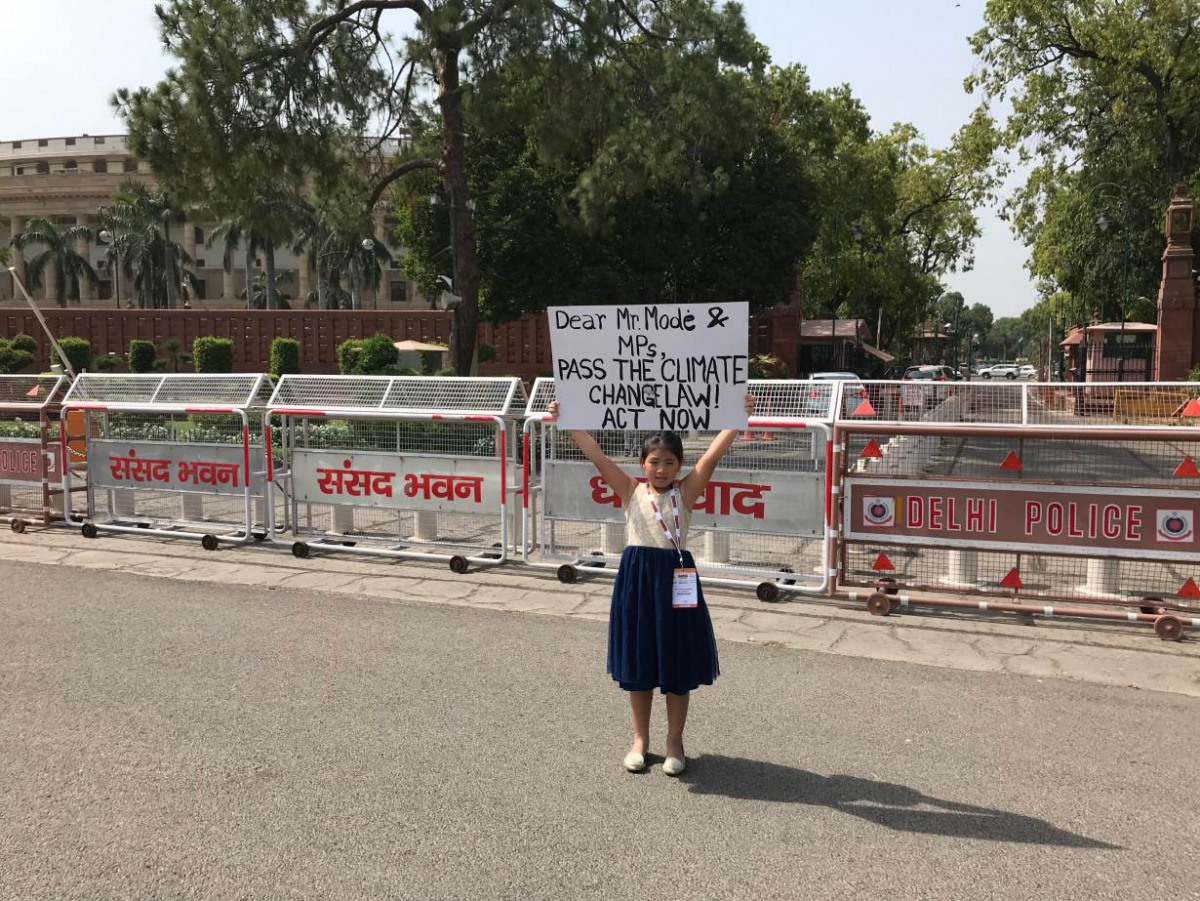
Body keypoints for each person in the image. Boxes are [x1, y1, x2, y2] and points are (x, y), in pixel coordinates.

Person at [547, 394, 755, 776]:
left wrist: (738, 416)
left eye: (670, 463)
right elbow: (596, 455)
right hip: (638, 580)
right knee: (639, 661)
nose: (661, 469)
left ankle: (674, 741)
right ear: (643, 463)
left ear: (679, 466)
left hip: (676, 581)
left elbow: (712, 455)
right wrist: (570, 420)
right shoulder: (630, 489)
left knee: (677, 664)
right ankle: (640, 740)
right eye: (654, 462)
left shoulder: (686, 492)